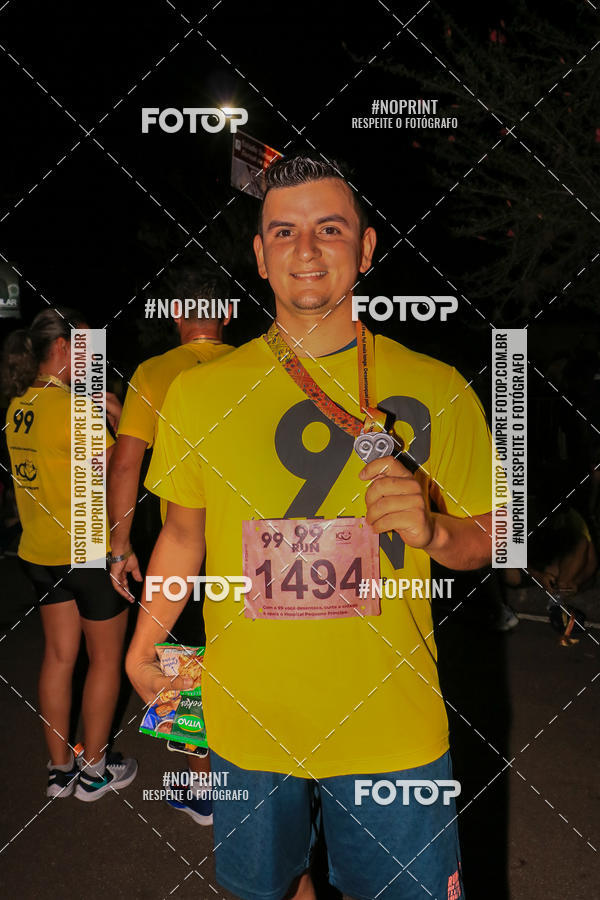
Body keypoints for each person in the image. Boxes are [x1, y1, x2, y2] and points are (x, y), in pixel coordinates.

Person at [126, 155, 493, 900]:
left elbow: (491, 535)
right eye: (283, 231)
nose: (305, 249)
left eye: (329, 229)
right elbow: (183, 536)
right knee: (266, 889)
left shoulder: (438, 385)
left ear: (366, 247)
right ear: (260, 256)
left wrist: (434, 532)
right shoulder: (198, 394)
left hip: (392, 727)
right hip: (246, 720)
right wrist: (143, 647)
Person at [108, 274, 234, 825]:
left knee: (182, 665)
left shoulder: (155, 372)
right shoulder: (257, 363)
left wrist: (119, 545)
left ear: (177, 313)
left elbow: (126, 464)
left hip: (183, 548)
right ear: (226, 314)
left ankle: (204, 788)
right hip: (253, 546)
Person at [2, 308, 137, 801]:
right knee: (105, 660)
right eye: (84, 348)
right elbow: (118, 473)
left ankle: (60, 771)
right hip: (87, 548)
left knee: (59, 657)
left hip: (38, 550)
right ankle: (95, 772)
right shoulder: (75, 410)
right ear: (62, 348)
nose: (90, 360)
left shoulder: (18, 405)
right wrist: (120, 420)